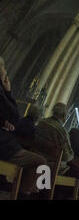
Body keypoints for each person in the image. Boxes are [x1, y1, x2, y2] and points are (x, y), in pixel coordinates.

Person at [0, 56, 46, 199]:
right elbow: (13, 115)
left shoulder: (26, 122)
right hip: (4, 146)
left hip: (9, 143)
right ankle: (21, 195)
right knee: (41, 163)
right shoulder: (33, 127)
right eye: (2, 65)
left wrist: (2, 122)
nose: (4, 69)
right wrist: (8, 91)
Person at [35, 103, 74, 175]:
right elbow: (67, 156)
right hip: (50, 165)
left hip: (34, 157)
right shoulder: (61, 131)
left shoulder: (40, 122)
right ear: (64, 115)